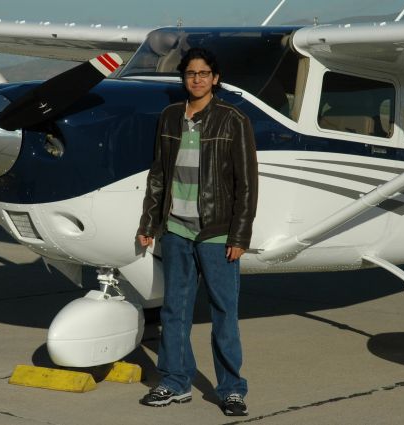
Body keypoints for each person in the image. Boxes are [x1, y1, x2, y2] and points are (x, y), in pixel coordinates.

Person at [136, 47, 258, 417]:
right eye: (191, 73)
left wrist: (239, 236)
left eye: (204, 73)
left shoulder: (233, 120)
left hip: (217, 232)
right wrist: (149, 224)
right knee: (175, 311)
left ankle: (232, 389)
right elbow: (159, 174)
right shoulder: (171, 116)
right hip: (176, 230)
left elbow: (247, 184)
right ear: (183, 78)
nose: (197, 79)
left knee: (224, 312)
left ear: (215, 79)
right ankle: (175, 382)